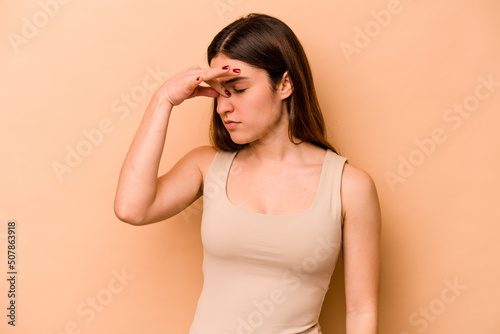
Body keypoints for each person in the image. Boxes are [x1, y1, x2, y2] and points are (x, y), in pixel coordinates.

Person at [114, 13, 380, 334]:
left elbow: (361, 310)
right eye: (219, 93)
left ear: (285, 84)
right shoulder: (206, 165)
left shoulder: (349, 186)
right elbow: (131, 208)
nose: (223, 107)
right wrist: (163, 100)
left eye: (237, 89)